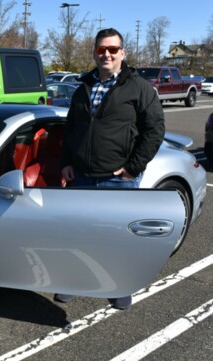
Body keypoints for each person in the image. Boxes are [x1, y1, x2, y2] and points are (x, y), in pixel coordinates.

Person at [56, 28, 165, 311]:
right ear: (94, 53)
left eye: (112, 49)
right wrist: (67, 161)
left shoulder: (138, 87)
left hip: (119, 179)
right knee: (78, 234)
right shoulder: (84, 86)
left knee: (118, 238)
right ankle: (74, 282)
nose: (106, 54)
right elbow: (71, 128)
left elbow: (154, 130)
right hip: (81, 175)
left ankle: (119, 287)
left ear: (122, 53)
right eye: (101, 49)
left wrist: (133, 167)